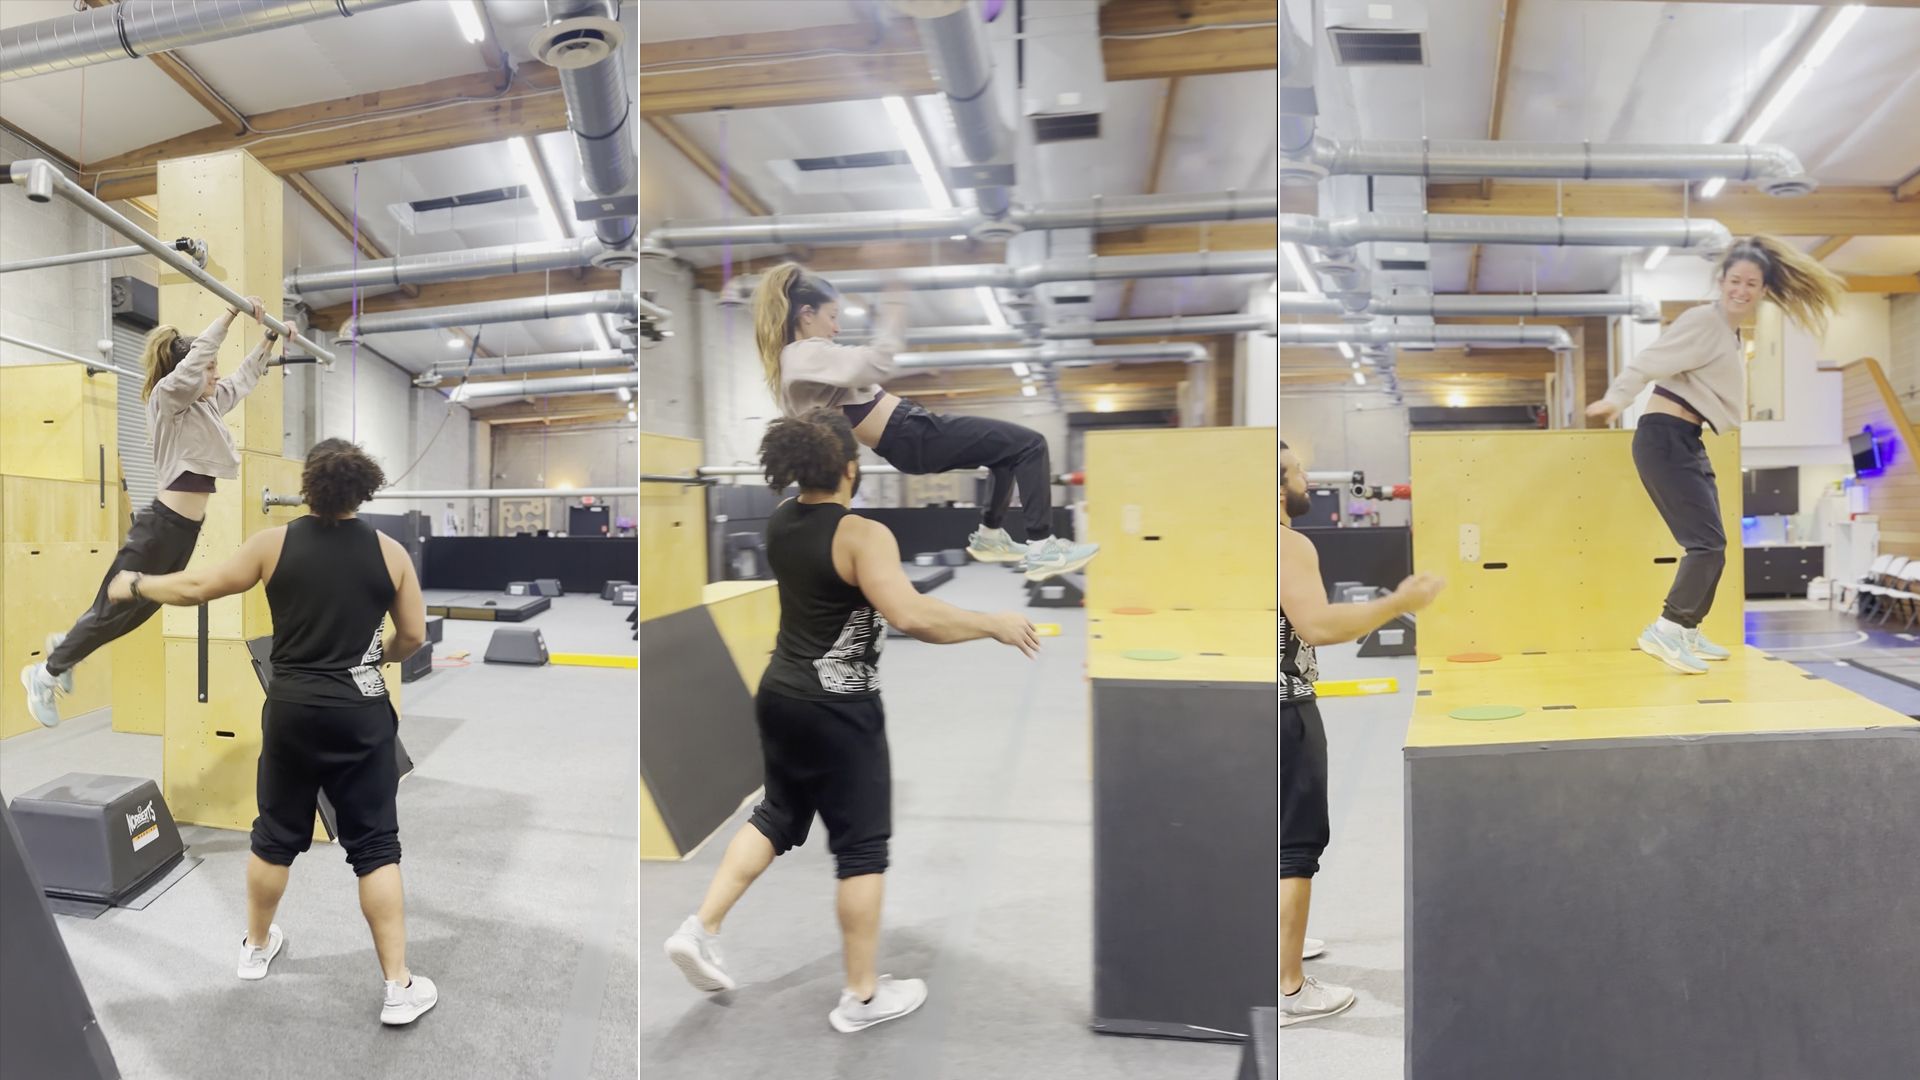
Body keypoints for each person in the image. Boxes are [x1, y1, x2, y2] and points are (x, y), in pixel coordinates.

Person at [663, 409, 1041, 1033]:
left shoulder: (782, 521)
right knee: (862, 849)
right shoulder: (863, 536)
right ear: (849, 466)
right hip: (839, 706)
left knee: (778, 813)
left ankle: (699, 928)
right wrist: (992, 624)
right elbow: (912, 615)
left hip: (780, 693)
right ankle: (862, 996)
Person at [102, 439, 436, 1026]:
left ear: (307, 487)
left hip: (291, 709)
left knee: (275, 834)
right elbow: (412, 636)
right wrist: (371, 655)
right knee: (376, 847)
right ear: (365, 490)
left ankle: (256, 948)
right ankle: (398, 988)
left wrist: (134, 585)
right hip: (360, 712)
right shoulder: (392, 553)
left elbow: (196, 587)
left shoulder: (272, 544)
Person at [1587, 236, 1845, 674]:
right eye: (1735, 281)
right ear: (1720, 281)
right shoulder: (1704, 321)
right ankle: (1666, 629)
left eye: (1751, 284)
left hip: (1687, 439)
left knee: (1717, 547)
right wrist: (1615, 400)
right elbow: (1646, 362)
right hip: (1664, 439)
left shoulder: (1729, 330)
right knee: (1704, 545)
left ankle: (1686, 628)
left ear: (1763, 290)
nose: (1741, 290)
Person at [20, 297, 282, 727]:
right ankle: (43, 675)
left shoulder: (207, 403)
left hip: (182, 531)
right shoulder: (168, 399)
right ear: (190, 371)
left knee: (140, 609)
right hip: (161, 527)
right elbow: (196, 364)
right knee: (114, 607)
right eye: (209, 368)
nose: (216, 375)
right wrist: (231, 314)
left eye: (216, 368)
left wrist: (269, 338)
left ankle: (66, 646)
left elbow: (244, 379)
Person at [750, 262, 1100, 581]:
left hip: (909, 434)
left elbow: (854, 385)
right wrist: (895, 304)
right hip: (913, 433)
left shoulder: (798, 364)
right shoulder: (805, 354)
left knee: (1007, 454)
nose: (837, 327)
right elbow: (878, 361)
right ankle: (1042, 547)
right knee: (1032, 443)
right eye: (833, 316)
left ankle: (991, 537)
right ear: (806, 315)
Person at [1278, 440, 1445, 1028]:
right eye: (1298, 472)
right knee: (1296, 847)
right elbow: (1318, 626)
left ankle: (1279, 949)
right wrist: (1398, 601)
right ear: (1277, 488)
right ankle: (1288, 988)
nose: (1307, 482)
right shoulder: (1287, 543)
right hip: (1284, 707)